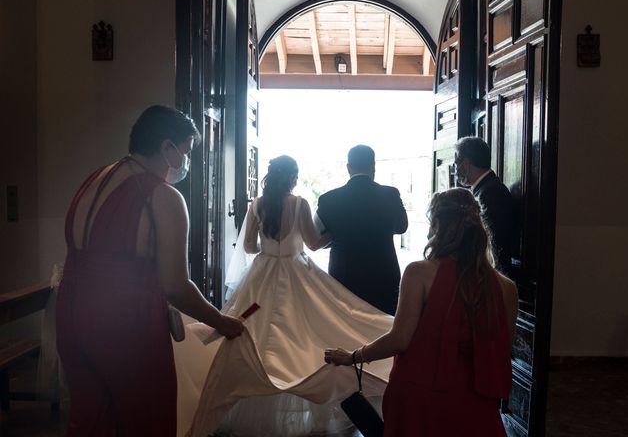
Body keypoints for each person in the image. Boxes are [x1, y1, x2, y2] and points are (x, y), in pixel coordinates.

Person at [55, 105, 244, 436]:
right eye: (184, 152)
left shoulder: (94, 178)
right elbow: (174, 285)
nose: (185, 162)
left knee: (91, 420)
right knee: (145, 420)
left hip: (70, 314)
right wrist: (222, 322)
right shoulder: (163, 196)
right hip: (126, 324)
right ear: (166, 147)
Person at [173, 155, 395, 437]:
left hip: (262, 273)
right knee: (306, 333)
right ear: (293, 177)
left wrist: (271, 249)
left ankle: (249, 391)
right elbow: (314, 243)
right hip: (295, 272)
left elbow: (250, 246)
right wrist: (333, 235)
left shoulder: (258, 204)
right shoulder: (299, 203)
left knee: (257, 333)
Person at [325, 188, 518, 437]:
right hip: (476, 399)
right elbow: (501, 349)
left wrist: (353, 356)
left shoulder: (419, 273)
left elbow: (400, 339)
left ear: (437, 224)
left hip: (421, 395)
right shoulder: (506, 287)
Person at [315, 145, 408, 314]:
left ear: (348, 167)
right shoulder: (391, 194)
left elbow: (317, 236)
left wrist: (338, 234)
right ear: (373, 166)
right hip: (384, 272)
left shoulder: (328, 199)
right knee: (384, 323)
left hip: (343, 273)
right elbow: (402, 227)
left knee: (346, 325)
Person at [454, 136, 516, 274]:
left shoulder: (491, 192)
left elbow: (492, 240)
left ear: (465, 164)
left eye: (455, 163)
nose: (455, 170)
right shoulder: (485, 189)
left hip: (491, 272)